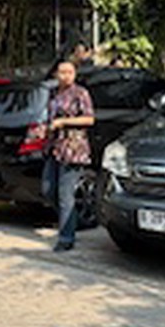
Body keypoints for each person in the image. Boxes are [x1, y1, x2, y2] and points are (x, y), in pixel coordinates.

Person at [42, 59, 96, 252]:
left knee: (66, 194)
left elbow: (89, 119)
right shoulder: (53, 93)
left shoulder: (80, 93)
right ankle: (71, 221)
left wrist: (64, 122)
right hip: (54, 147)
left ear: (74, 74)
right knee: (48, 189)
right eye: (61, 72)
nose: (65, 76)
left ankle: (66, 238)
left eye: (69, 72)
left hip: (73, 149)